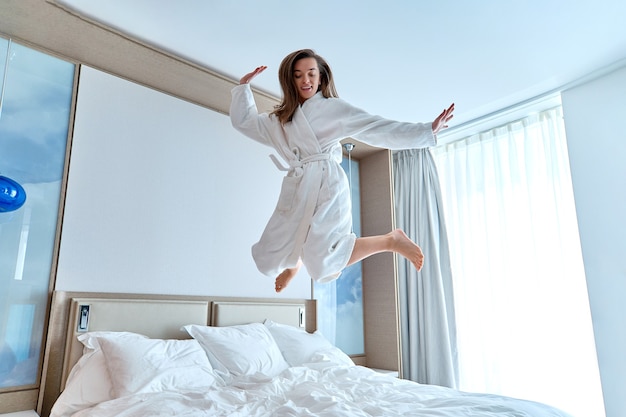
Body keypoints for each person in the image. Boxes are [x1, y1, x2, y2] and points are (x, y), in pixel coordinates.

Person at [230, 49, 454, 292]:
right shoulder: (282, 119)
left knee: (322, 265)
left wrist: (425, 131)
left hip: (327, 184)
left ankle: (391, 240)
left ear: (321, 78)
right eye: (297, 75)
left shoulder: (333, 109)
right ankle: (295, 263)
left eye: (311, 74)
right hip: (299, 185)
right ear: (289, 80)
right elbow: (248, 123)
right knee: (266, 258)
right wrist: (243, 88)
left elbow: (376, 127)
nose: (305, 80)